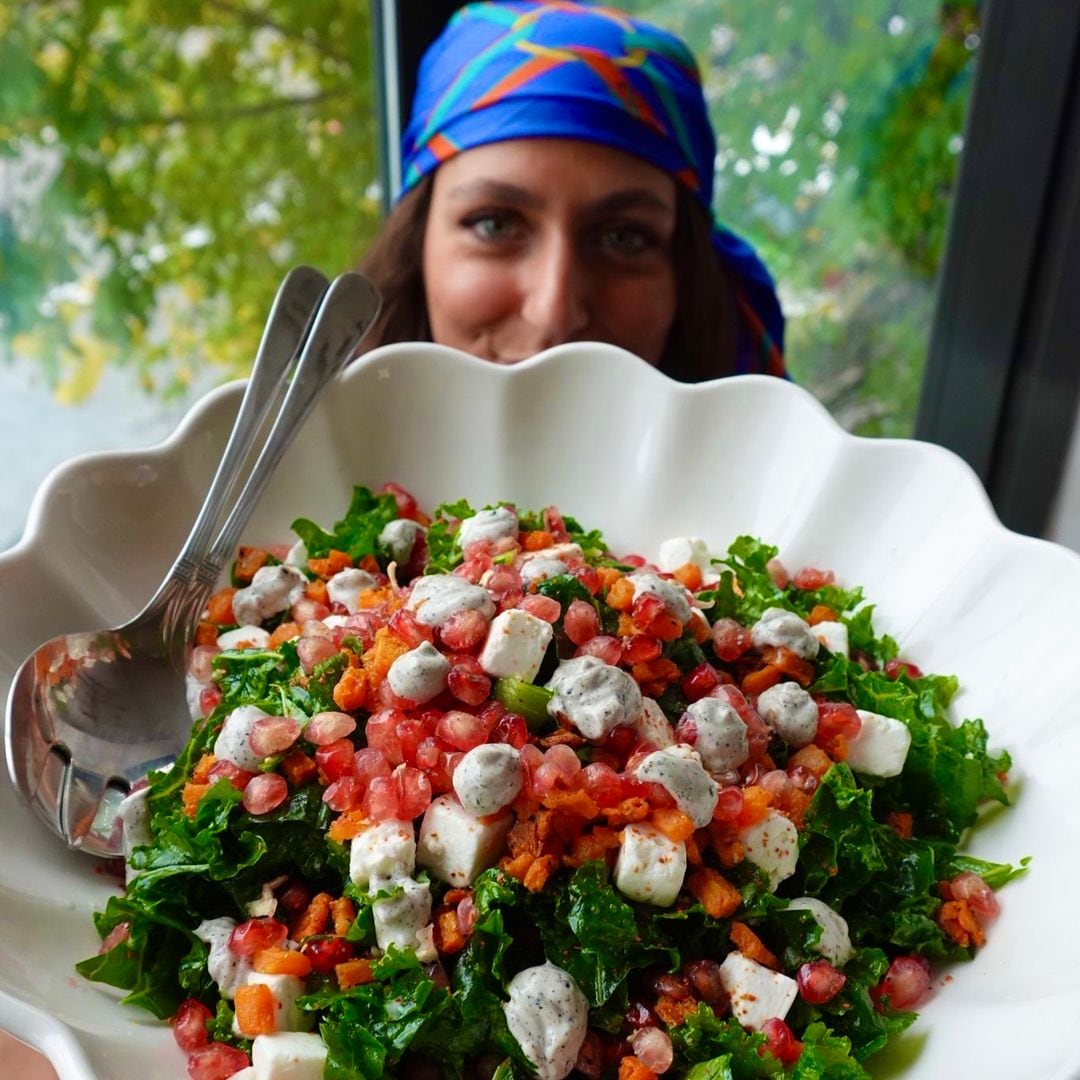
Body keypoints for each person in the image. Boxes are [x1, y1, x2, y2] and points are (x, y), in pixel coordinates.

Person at [360, 0, 787, 382]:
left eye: (623, 238)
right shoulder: (326, 442)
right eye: (494, 225)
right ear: (417, 243)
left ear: (687, 272)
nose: (553, 316)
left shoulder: (784, 448)